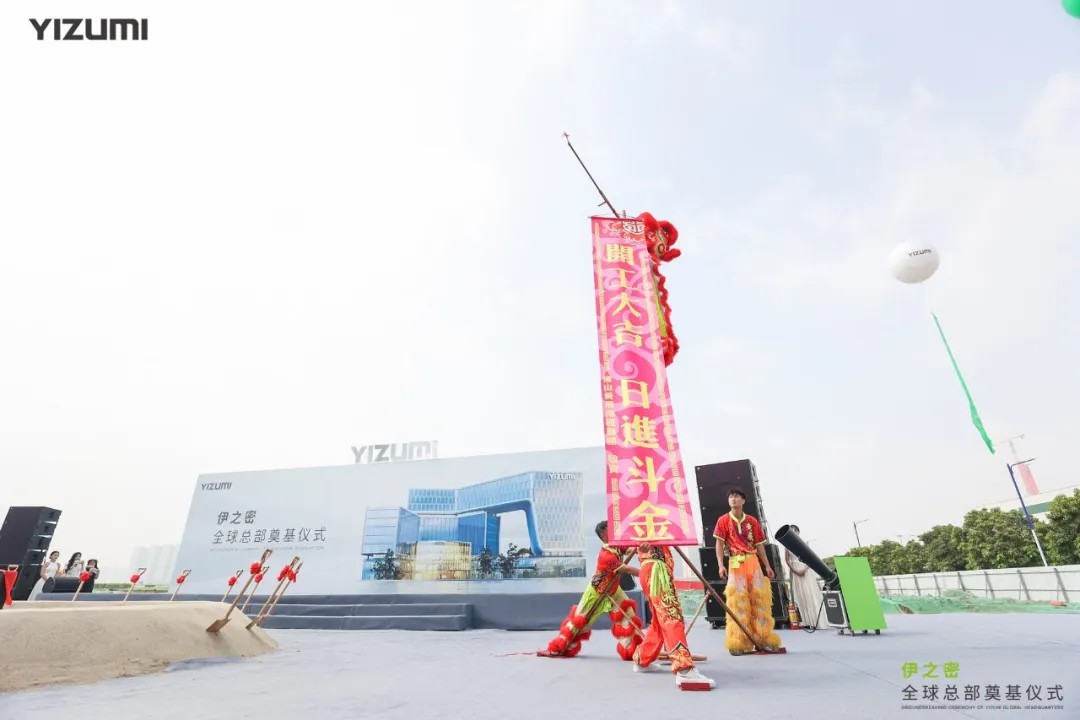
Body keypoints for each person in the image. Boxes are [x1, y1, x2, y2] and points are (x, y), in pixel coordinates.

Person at [543, 521, 644, 660]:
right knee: (579, 621)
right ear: (604, 535)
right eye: (610, 530)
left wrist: (641, 546)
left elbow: (629, 550)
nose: (615, 531)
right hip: (597, 592)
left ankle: (632, 650)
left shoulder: (615, 546)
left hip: (613, 589)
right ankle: (559, 648)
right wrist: (646, 574)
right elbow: (626, 569)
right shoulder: (606, 556)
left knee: (628, 615)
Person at [633, 542, 714, 690]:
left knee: (659, 620)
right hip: (657, 571)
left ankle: (642, 658)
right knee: (671, 617)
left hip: (651, 569)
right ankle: (684, 669)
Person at [713, 489, 783, 655]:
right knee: (738, 602)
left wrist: (767, 566)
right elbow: (719, 544)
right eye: (731, 497)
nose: (733, 499)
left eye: (737, 496)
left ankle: (764, 639)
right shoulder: (723, 520)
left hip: (753, 562)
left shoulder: (752, 521)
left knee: (760, 600)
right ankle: (739, 642)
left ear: (743, 500)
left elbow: (759, 545)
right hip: (735, 564)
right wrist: (720, 565)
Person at [784, 525, 825, 629]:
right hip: (795, 571)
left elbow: (810, 558)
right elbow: (787, 560)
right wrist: (795, 570)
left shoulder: (804, 544)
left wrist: (803, 569)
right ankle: (805, 621)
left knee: (809, 593)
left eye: (795, 531)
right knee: (800, 596)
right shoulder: (787, 546)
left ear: (798, 532)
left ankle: (815, 621)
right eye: (791, 531)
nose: (793, 532)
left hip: (805, 571)